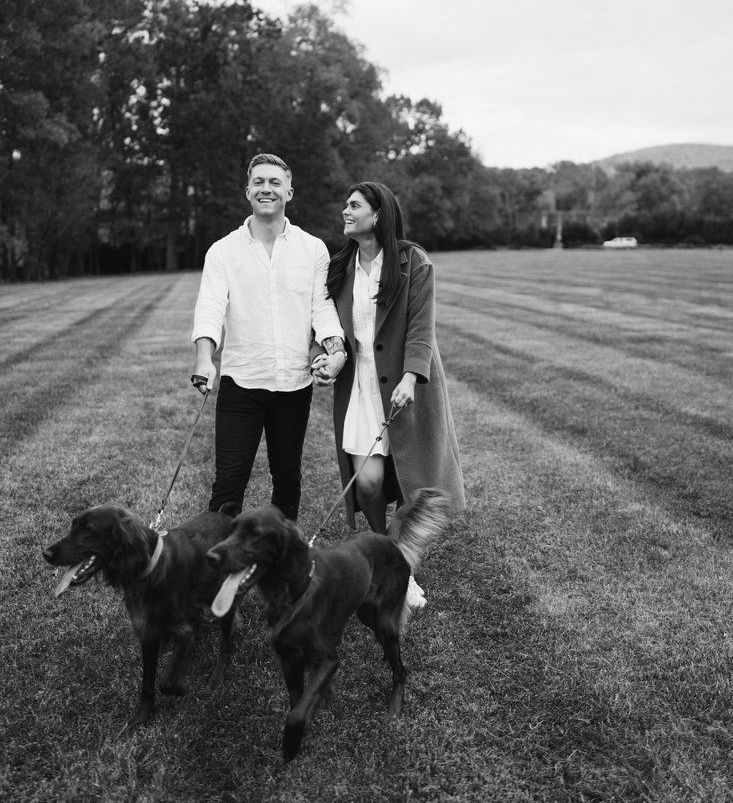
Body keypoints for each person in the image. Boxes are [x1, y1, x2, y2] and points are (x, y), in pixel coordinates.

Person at [191, 153, 346, 520]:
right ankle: (220, 565)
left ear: (289, 192)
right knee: (228, 484)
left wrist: (335, 349)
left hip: (293, 384)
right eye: (259, 182)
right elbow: (210, 309)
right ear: (247, 191)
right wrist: (203, 358)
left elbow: (321, 310)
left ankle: (280, 561)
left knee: (287, 479)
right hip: (240, 383)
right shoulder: (223, 251)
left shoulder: (313, 249)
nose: (266, 188)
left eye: (275, 182)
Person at [312, 181, 465, 537]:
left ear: (378, 214)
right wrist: (324, 356)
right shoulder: (339, 266)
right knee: (367, 481)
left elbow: (421, 329)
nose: (345, 212)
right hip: (359, 387)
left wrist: (411, 377)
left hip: (404, 384)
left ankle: (399, 558)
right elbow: (323, 323)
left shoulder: (414, 261)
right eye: (345, 206)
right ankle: (382, 551)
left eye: (354, 206)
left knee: (414, 482)